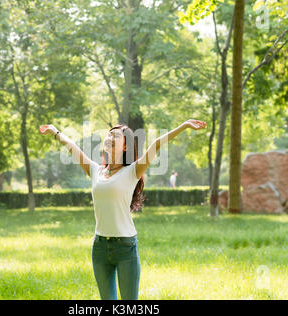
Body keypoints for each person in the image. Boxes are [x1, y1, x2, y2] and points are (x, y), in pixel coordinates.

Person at [39, 119, 207, 300]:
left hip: (125, 248)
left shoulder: (132, 171)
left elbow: (156, 144)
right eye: (109, 134)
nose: (110, 137)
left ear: (126, 146)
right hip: (100, 248)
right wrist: (55, 131)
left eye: (116, 135)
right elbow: (72, 147)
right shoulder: (95, 170)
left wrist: (185, 125)